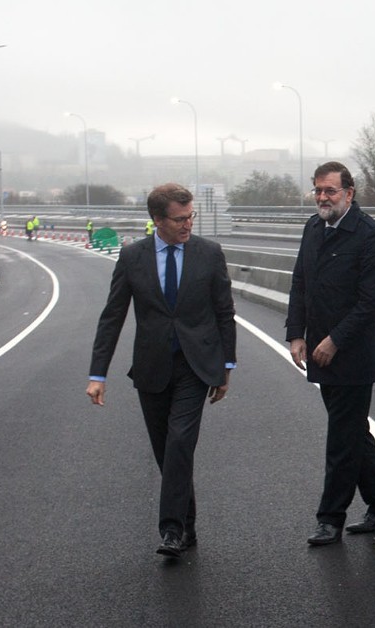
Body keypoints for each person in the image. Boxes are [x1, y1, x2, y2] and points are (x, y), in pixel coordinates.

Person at [86, 182, 237, 559]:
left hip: (195, 365)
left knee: (180, 441)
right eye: (180, 219)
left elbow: (224, 313)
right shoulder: (133, 257)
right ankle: (187, 523)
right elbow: (112, 317)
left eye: (191, 217)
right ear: (157, 220)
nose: (188, 225)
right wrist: (97, 374)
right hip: (152, 367)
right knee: (166, 452)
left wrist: (226, 366)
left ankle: (171, 530)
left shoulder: (209, 253)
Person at [286, 161, 375, 546]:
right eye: (317, 190)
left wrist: (335, 340)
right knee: (353, 432)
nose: (322, 197)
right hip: (318, 349)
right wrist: (294, 334)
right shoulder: (313, 228)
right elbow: (301, 281)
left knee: (341, 438)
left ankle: (329, 518)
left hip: (352, 354)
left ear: (349, 193)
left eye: (330, 191)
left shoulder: (369, 235)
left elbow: (372, 302)